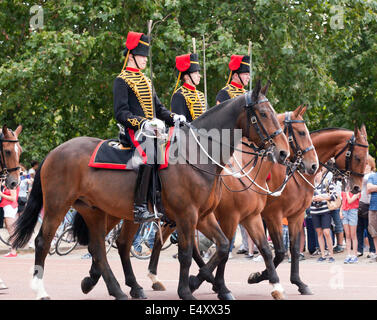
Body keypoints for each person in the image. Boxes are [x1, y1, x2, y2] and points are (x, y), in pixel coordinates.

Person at [113, 31, 185, 224]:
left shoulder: (146, 80)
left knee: (174, 151)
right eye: (141, 56)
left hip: (153, 131)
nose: (144, 60)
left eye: (145, 56)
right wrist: (143, 122)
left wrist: (174, 117)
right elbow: (121, 113)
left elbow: (159, 109)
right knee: (150, 153)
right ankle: (139, 207)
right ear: (131, 57)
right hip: (133, 130)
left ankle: (164, 203)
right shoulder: (122, 80)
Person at [310, 167, 337, 262]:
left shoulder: (327, 182)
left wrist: (322, 198)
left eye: (318, 172)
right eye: (315, 173)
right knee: (319, 233)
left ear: (321, 172)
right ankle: (322, 255)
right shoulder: (310, 184)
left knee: (326, 232)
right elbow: (305, 197)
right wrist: (312, 199)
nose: (317, 174)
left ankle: (331, 255)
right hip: (314, 211)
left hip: (325, 211)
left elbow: (334, 196)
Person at [171, 53, 206, 122]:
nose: (199, 76)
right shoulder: (179, 95)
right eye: (195, 73)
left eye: (198, 73)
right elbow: (180, 124)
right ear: (186, 76)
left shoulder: (201, 95)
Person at [357, 155, 376, 257]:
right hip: (360, 203)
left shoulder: (371, 175)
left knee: (369, 228)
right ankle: (360, 250)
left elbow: (365, 183)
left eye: (367, 164)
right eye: (364, 164)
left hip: (369, 204)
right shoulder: (361, 175)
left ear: (371, 165)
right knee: (359, 228)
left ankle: (372, 250)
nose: (365, 166)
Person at [340, 184, 361, 263]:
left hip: (352, 212)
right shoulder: (345, 191)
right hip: (345, 212)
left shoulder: (357, 191)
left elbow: (350, 200)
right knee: (347, 235)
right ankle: (348, 254)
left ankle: (355, 255)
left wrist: (347, 192)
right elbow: (343, 202)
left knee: (353, 235)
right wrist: (340, 212)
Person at [0, 182, 20, 257]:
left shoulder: (12, 184)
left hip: (10, 207)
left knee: (11, 229)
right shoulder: (8, 184)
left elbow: (13, 198)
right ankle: (13, 250)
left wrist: (2, 195)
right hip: (8, 207)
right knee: (11, 229)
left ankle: (13, 251)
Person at [367, 163, 377, 261]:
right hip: (373, 207)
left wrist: (374, 187)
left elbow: (372, 188)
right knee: (374, 232)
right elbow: (368, 188)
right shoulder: (372, 176)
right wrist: (372, 188)